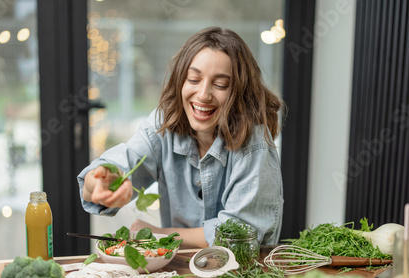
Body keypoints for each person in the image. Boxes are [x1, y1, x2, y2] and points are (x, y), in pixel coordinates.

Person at [78, 27, 284, 249]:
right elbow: (109, 172)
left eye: (221, 84)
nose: (203, 94)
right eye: (194, 79)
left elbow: (240, 235)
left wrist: (160, 235)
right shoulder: (164, 123)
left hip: (242, 275)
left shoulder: (254, 143)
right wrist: (102, 182)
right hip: (179, 272)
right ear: (180, 82)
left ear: (240, 92)